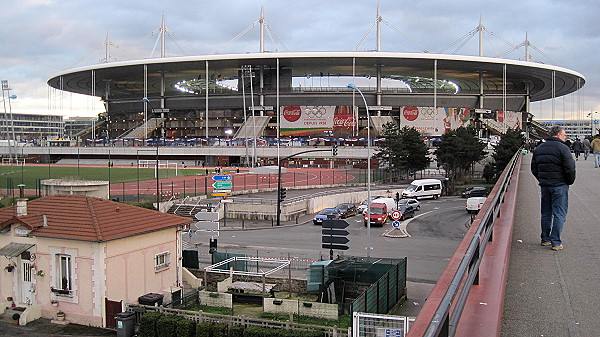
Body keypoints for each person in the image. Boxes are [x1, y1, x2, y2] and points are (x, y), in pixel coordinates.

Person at [531, 126, 576, 251]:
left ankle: (545, 239)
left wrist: (542, 179)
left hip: (545, 186)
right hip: (559, 185)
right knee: (559, 213)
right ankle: (556, 242)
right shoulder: (563, 148)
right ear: (558, 135)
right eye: (564, 134)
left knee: (546, 213)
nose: (565, 137)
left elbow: (534, 168)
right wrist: (569, 181)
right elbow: (570, 168)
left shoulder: (539, 148)